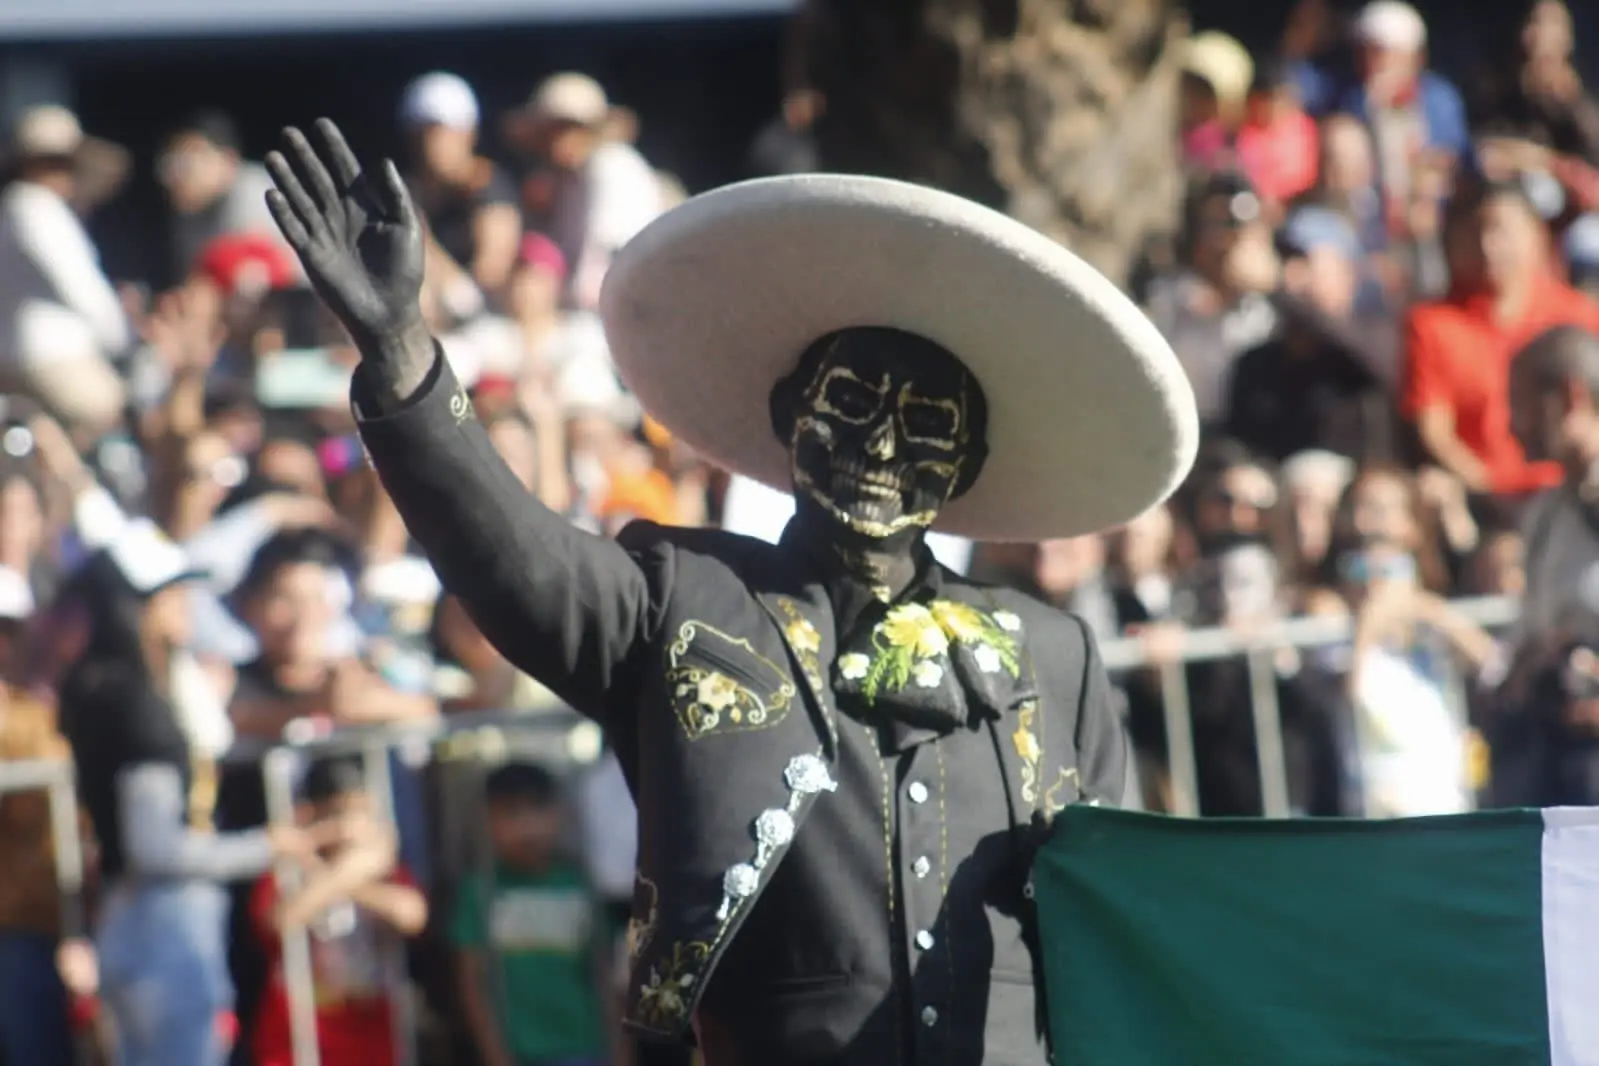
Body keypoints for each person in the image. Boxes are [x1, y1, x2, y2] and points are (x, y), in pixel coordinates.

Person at [263, 118, 1197, 1065]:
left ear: (966, 463)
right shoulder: (684, 601)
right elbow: (511, 557)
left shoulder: (1052, 654)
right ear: (790, 413)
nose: (880, 445)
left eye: (925, 423)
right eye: (850, 402)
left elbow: (1115, 923)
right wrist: (400, 348)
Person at [55, 520, 313, 1066]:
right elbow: (156, 847)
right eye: (170, 595)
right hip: (164, 929)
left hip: (144, 921)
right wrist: (265, 845)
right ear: (137, 608)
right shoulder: (133, 704)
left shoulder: (118, 691)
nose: (185, 607)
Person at [249, 757, 427, 1066]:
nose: (354, 829)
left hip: (370, 1040)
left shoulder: (382, 872)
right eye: (342, 815)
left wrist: (352, 878)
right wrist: (345, 872)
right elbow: (280, 920)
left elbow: (410, 914)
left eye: (363, 814)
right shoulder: (287, 873)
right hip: (298, 1042)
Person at [451, 762, 613, 1066]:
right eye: (510, 813)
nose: (526, 826)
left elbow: (605, 977)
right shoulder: (480, 893)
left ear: (559, 813)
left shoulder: (583, 887)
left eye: (537, 809)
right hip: (519, 1052)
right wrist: (495, 1055)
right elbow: (473, 984)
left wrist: (621, 1052)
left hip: (585, 1048)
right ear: (487, 821)